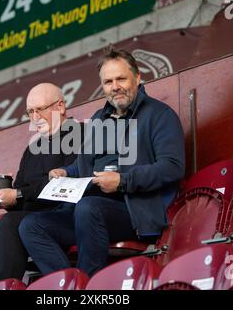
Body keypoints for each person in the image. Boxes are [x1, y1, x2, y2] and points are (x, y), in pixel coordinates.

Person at [18, 48, 185, 277]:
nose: (114, 86)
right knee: (31, 225)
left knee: (88, 208)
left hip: (136, 211)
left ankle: (90, 287)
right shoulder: (99, 119)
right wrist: (66, 172)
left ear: (137, 77)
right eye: (107, 82)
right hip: (90, 211)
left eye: (121, 79)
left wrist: (123, 181)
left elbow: (172, 167)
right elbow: (84, 165)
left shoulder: (160, 115)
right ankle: (73, 285)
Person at [0, 83, 80, 286]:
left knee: (11, 223)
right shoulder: (32, 150)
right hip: (30, 222)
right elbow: (21, 202)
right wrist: (1, 191)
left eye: (40, 110)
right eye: (30, 112)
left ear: (60, 106)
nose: (35, 117)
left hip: (67, 218)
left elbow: (63, 184)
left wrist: (17, 194)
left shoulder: (80, 134)